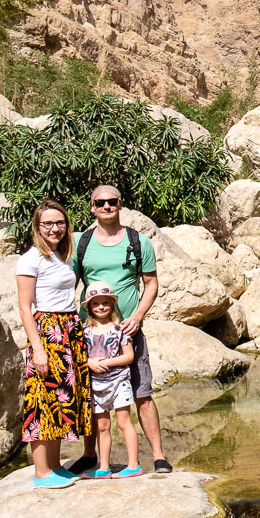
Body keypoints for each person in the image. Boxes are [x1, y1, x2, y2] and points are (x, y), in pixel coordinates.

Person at [66, 185, 172, 474]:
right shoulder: (80, 243)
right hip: (91, 332)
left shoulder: (139, 242)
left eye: (112, 201)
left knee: (142, 391)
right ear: (92, 207)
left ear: (120, 204)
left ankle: (159, 456)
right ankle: (90, 455)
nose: (106, 206)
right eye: (100, 202)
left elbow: (151, 283)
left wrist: (137, 316)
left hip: (128, 331)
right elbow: (71, 282)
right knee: (89, 393)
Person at [15, 200, 92, 489]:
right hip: (47, 330)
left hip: (69, 328)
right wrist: (37, 348)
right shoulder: (30, 258)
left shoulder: (64, 257)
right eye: (47, 223)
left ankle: (56, 466)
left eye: (59, 223)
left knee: (62, 397)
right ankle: (41, 473)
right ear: (37, 227)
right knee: (42, 398)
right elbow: (25, 308)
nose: (54, 228)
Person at [79, 281, 143, 479]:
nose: (101, 307)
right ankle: (103, 467)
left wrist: (108, 362)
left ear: (112, 304)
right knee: (101, 426)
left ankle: (134, 465)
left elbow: (129, 356)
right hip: (96, 385)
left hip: (119, 381)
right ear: (89, 307)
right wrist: (89, 362)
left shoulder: (119, 329)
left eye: (105, 303)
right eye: (96, 303)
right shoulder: (84, 331)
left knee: (124, 422)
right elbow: (79, 355)